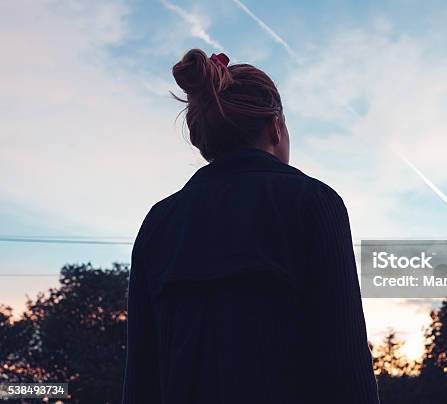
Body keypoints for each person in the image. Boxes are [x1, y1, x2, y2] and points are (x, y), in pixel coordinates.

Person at [122, 49, 379, 404]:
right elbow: (346, 363)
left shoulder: (159, 222)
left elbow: (141, 376)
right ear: (276, 126)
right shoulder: (314, 203)